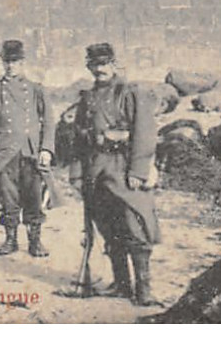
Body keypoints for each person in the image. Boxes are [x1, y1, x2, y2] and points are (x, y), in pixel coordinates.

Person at [68, 42, 162, 306]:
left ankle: (143, 291)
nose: (100, 70)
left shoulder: (130, 93)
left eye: (104, 64)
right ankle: (122, 285)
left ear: (114, 64)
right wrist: (76, 174)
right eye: (95, 65)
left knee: (136, 226)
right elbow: (78, 140)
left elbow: (145, 133)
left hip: (123, 168)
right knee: (109, 228)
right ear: (89, 67)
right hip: (96, 171)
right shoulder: (87, 98)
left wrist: (138, 170)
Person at [0, 38, 57, 257]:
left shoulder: (35, 89)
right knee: (8, 197)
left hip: (31, 151)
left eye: (15, 61)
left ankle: (35, 241)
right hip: (5, 152)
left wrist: (46, 149)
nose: (11, 66)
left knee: (33, 196)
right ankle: (10, 239)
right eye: (7, 61)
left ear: (23, 63)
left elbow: (49, 121)